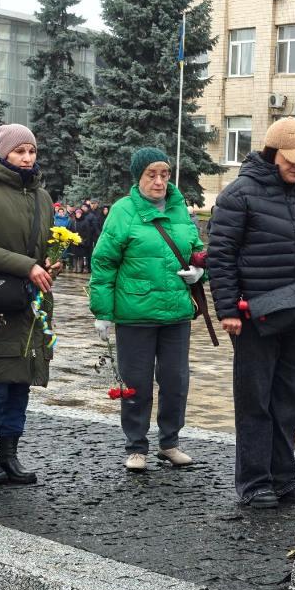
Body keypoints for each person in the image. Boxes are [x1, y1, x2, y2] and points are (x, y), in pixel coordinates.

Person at [207, 118, 295, 509]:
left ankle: (284, 478)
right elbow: (221, 255)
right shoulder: (240, 194)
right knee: (255, 399)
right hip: (253, 317)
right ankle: (254, 482)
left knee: (289, 397)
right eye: (290, 159)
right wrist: (227, 309)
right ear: (271, 153)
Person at [90, 148, 204, 472]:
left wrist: (199, 272)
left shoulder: (180, 208)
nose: (158, 181)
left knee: (175, 381)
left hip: (176, 313)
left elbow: (196, 251)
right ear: (138, 177)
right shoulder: (124, 211)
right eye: (151, 175)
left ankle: (169, 442)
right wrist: (103, 312)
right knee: (136, 382)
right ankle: (136, 446)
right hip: (135, 313)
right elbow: (103, 263)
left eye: (164, 174)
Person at [0, 124, 59, 485]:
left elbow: (44, 246)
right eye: (19, 151)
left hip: (32, 304)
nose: (27, 157)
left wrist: (50, 263)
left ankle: (9, 454)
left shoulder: (43, 196)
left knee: (21, 382)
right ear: (3, 153)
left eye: (31, 151)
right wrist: (27, 265)